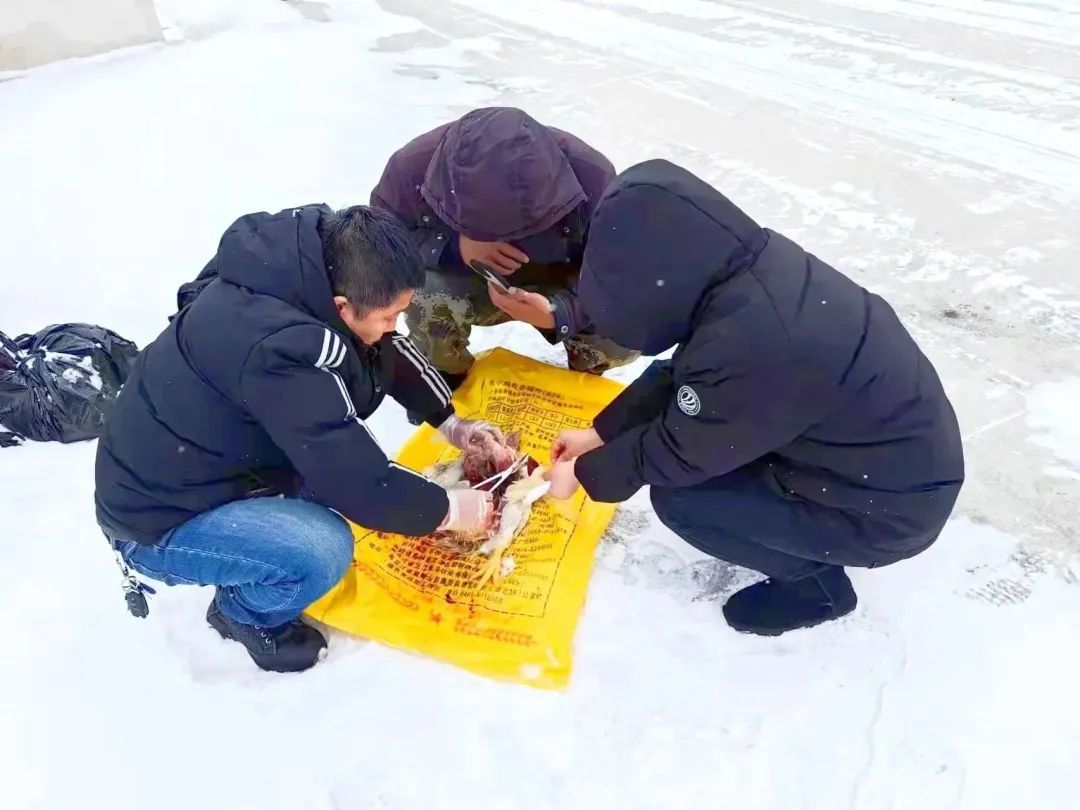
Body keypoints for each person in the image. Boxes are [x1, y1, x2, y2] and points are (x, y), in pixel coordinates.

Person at [545, 160, 965, 637]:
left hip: (883, 513)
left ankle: (815, 587)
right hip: (874, 462)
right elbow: (683, 376)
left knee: (684, 501)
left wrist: (585, 474)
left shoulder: (757, 344)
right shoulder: (745, 279)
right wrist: (600, 434)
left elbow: (680, 452)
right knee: (709, 461)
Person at [95, 205, 499, 673]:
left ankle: (255, 547)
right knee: (321, 549)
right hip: (156, 519)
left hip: (212, 465)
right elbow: (359, 482)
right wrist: (449, 510)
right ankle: (242, 614)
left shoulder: (317, 270)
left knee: (338, 490)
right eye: (390, 316)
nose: (394, 326)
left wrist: (450, 422)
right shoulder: (278, 349)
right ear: (342, 307)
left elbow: (383, 349)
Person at [370, 106, 639, 416]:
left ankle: (583, 379)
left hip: (562, 286)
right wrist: (453, 248)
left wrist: (561, 314)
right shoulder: (410, 169)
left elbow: (621, 275)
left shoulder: (593, 176)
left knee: (624, 329)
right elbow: (382, 245)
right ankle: (446, 380)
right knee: (419, 292)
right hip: (474, 283)